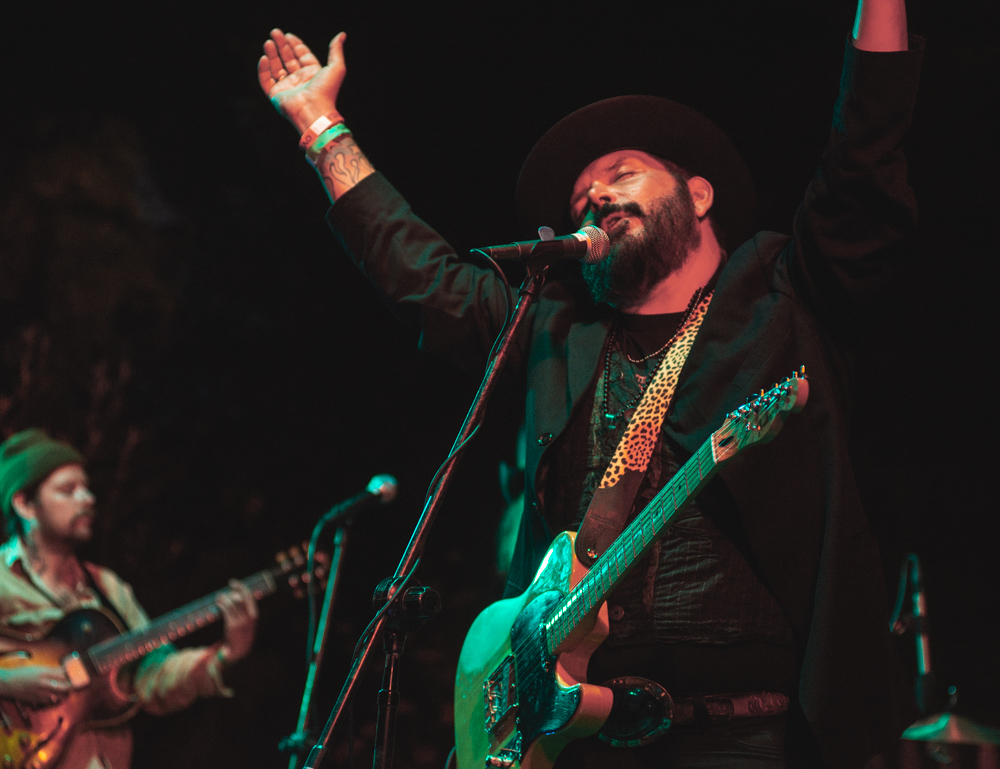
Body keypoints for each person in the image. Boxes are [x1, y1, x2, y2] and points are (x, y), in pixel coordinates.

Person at [257, 0, 921, 765]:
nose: (597, 197)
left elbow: (864, 163)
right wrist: (319, 126)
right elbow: (421, 275)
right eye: (582, 198)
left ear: (699, 196)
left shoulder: (783, 297)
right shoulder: (551, 327)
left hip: (749, 733)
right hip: (575, 733)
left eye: (621, 175)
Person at [0, 428, 258, 769]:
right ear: (24, 504)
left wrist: (226, 654)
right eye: (68, 490)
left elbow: (151, 674)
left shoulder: (107, 588)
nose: (87, 498)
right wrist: (7, 681)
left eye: (86, 488)